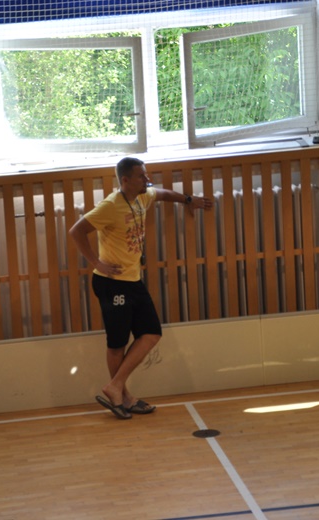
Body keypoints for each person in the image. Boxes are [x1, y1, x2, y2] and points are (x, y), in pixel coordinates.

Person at [69, 157, 213, 419]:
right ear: (125, 180)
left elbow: (164, 194)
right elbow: (77, 231)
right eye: (141, 176)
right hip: (112, 284)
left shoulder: (143, 196)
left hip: (133, 281)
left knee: (151, 333)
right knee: (117, 343)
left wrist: (188, 199)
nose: (147, 180)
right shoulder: (110, 205)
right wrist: (97, 263)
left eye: (146, 175)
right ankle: (123, 397)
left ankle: (115, 387)